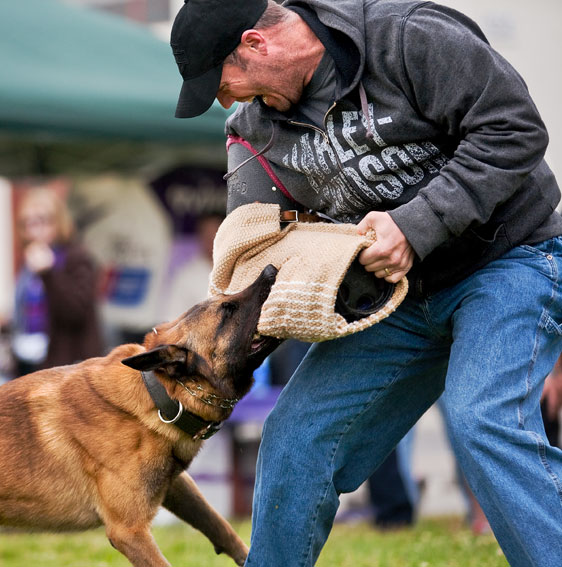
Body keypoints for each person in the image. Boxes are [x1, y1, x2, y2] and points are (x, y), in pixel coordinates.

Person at [171, 1, 562, 565]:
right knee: (296, 438)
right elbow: (255, 256)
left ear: (256, 43)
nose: (225, 100)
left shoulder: (406, 38)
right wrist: (204, 369)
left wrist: (415, 224)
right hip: (396, 300)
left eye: (223, 81)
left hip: (511, 259)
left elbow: (515, 129)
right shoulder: (253, 129)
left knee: (481, 421)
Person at [12, 188, 103, 374]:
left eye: (41, 220)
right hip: (32, 359)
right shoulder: (29, 263)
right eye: (26, 223)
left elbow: (75, 312)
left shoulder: (76, 257)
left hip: (69, 367)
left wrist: (49, 273)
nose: (33, 230)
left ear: (58, 221)